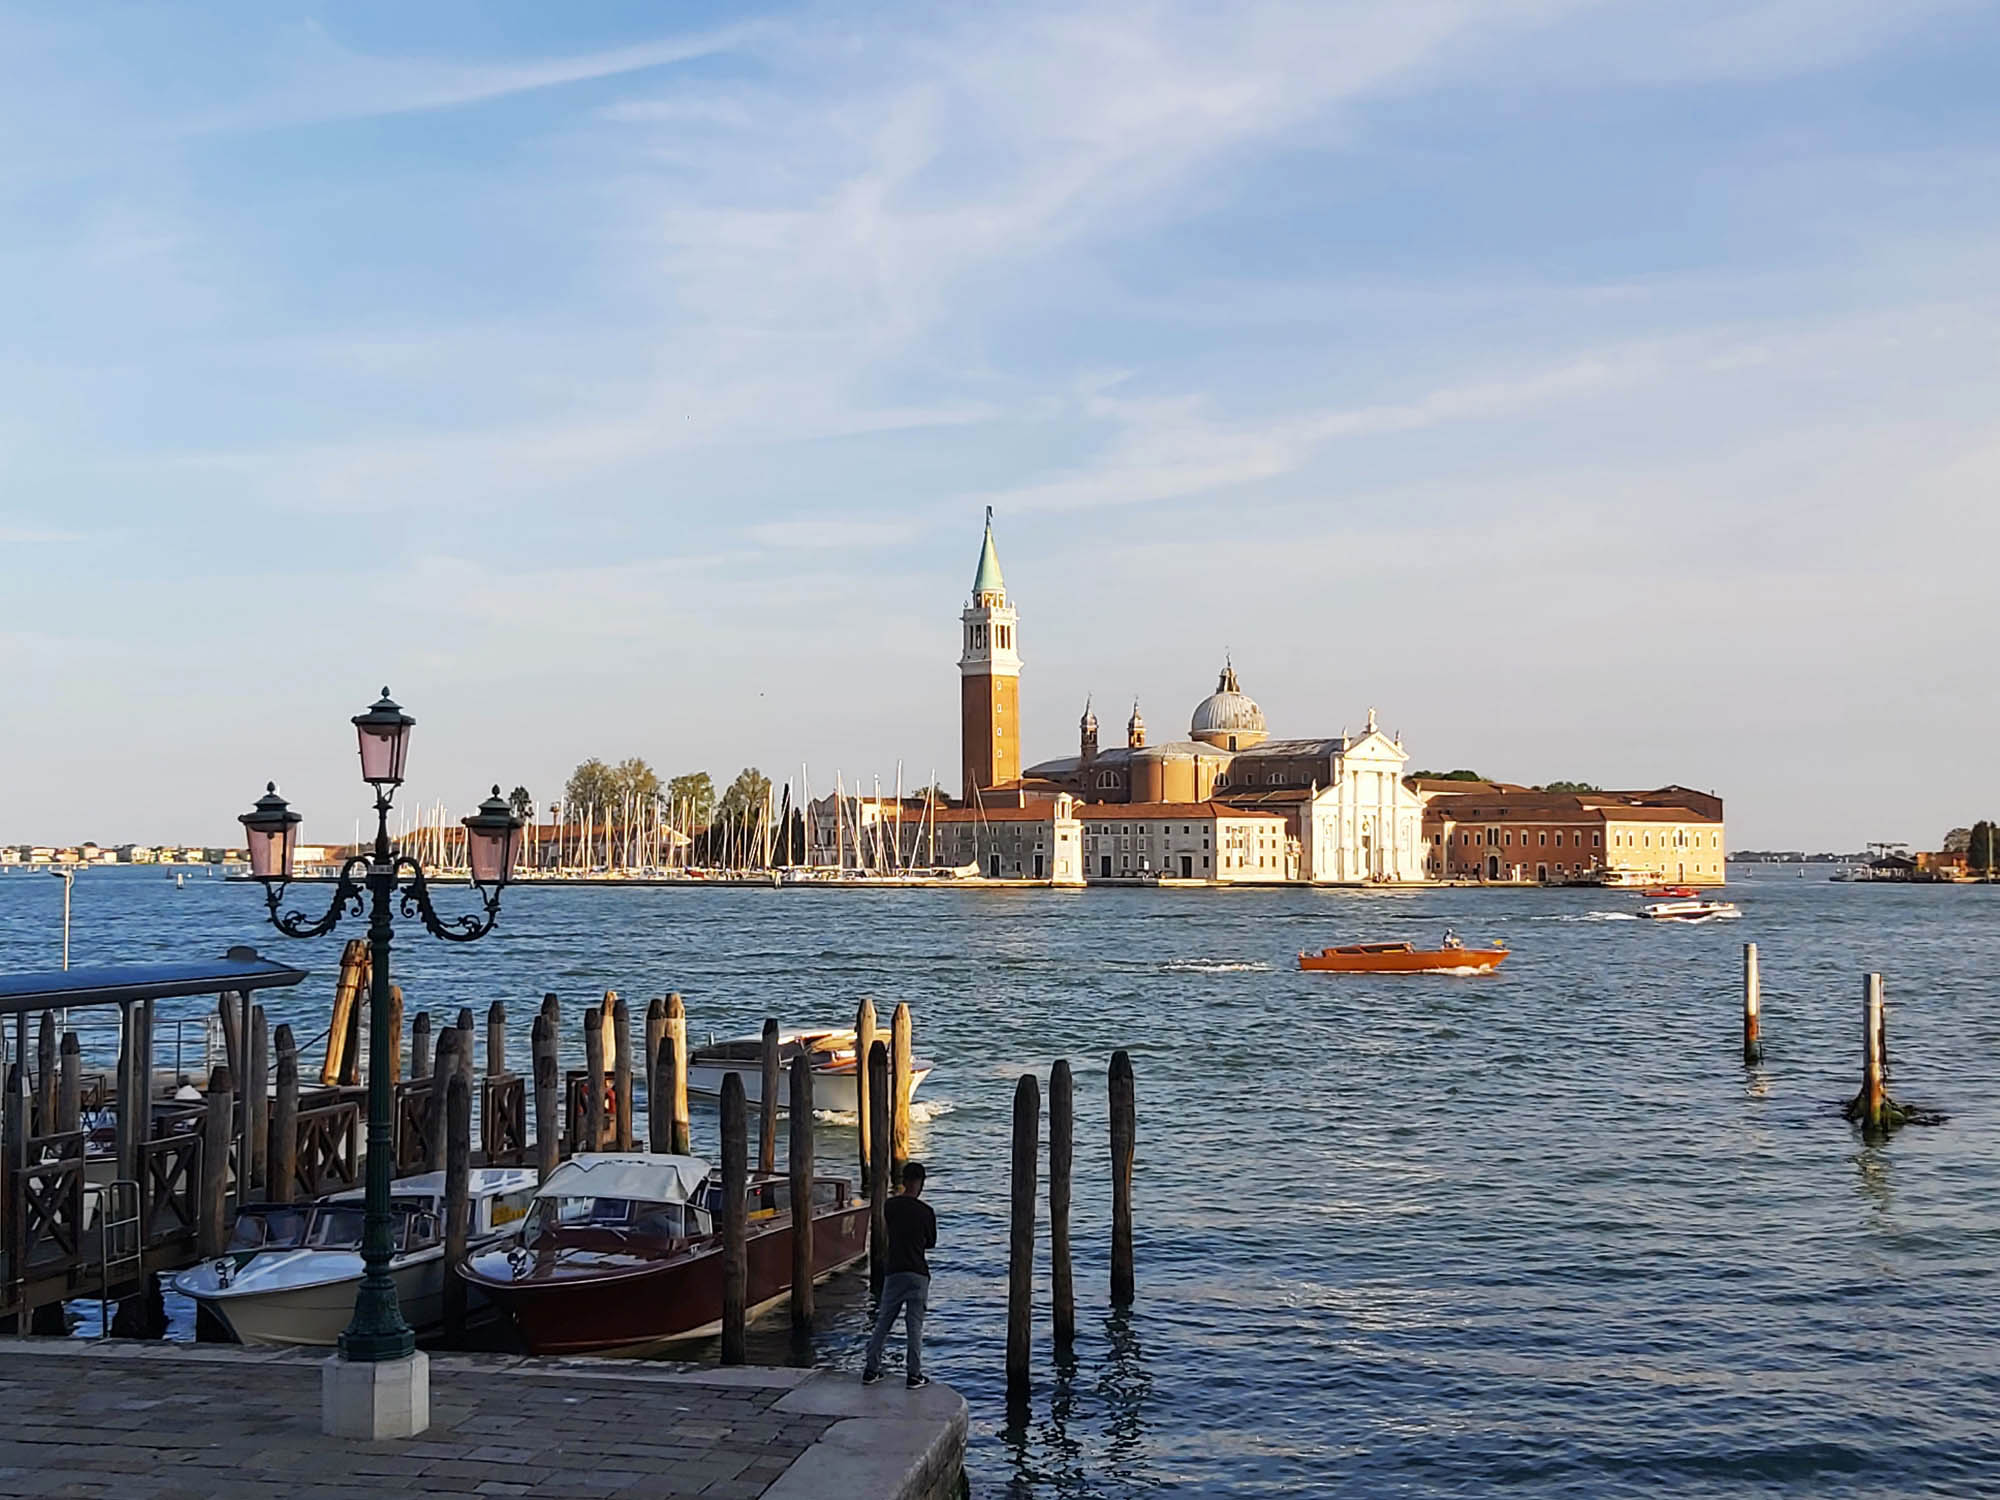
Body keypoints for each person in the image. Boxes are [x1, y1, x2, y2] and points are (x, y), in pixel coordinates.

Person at [862, 1161, 936, 1389]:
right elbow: (931, 1243)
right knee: (914, 1326)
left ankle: (871, 1369)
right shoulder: (926, 1212)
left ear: (903, 1181)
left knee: (884, 1321)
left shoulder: (890, 1206)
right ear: (921, 1183)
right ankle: (914, 1375)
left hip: (894, 1271)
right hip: (918, 1273)